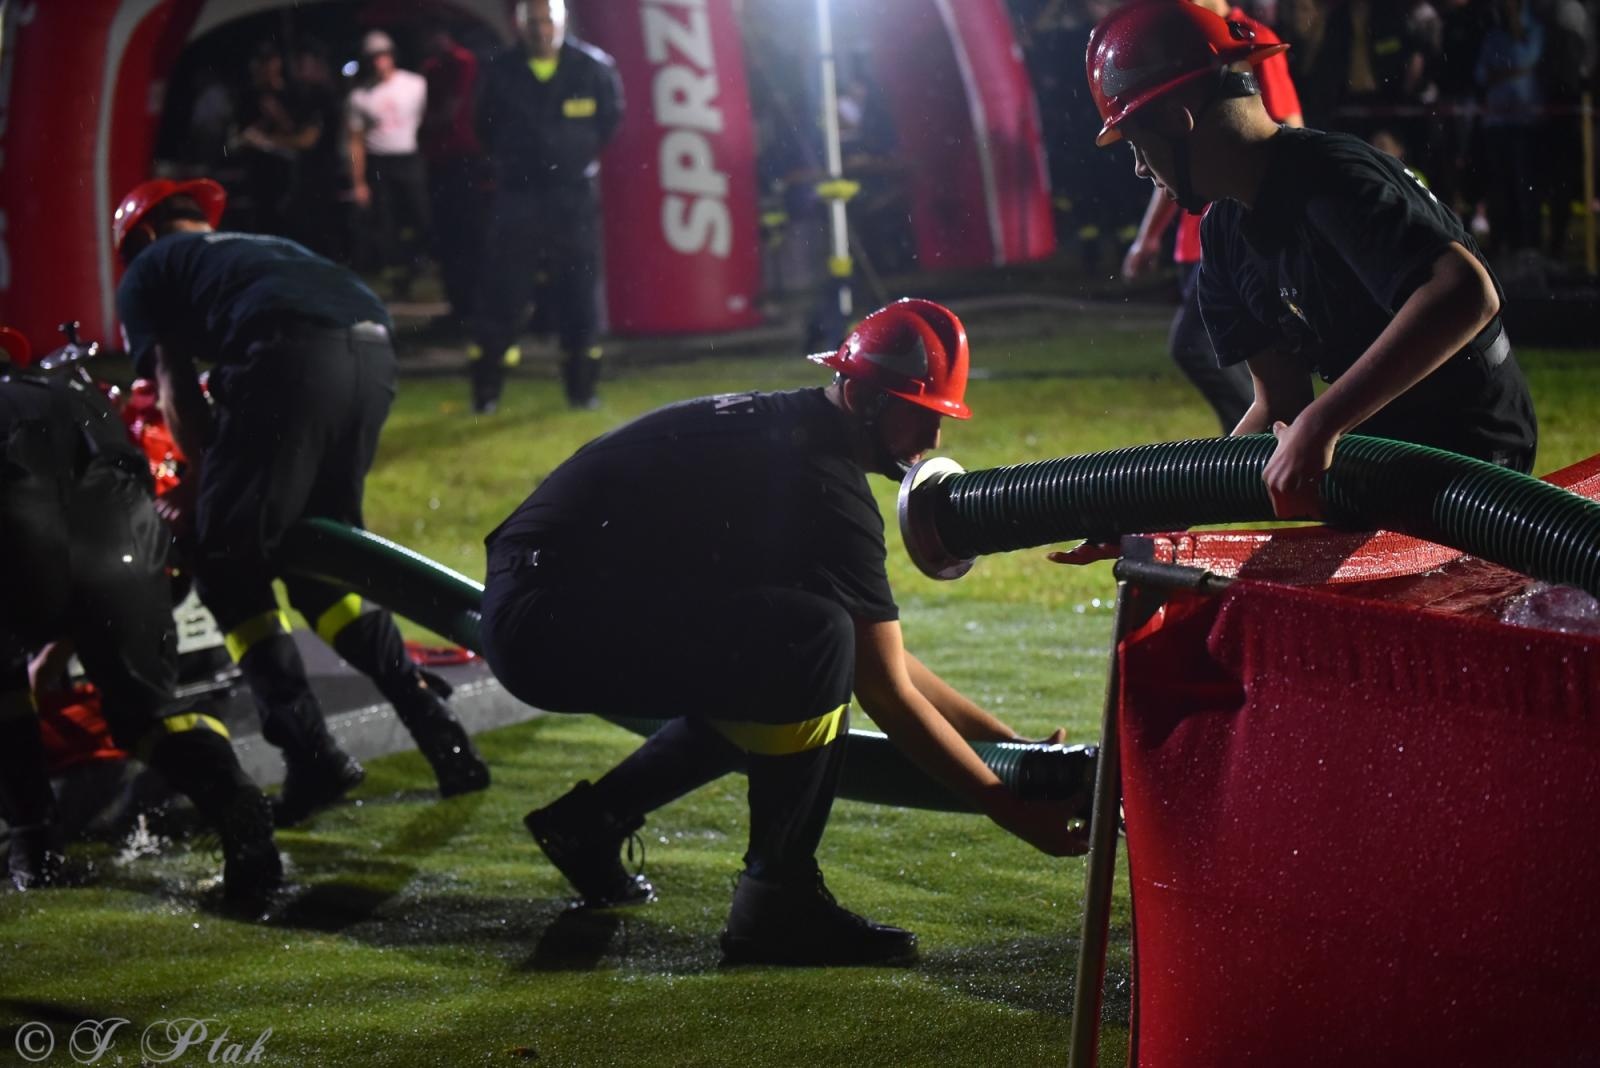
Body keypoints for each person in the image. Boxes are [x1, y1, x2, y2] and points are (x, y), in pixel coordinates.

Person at [480, 299, 1087, 966]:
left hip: (546, 599)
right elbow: (883, 688)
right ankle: (777, 901)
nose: (935, 442)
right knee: (810, 639)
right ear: (860, 396)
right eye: (922, 415)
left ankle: (589, 824)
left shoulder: (795, 434)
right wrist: (1010, 809)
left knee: (789, 650)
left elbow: (881, 662)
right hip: (551, 617)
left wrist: (1011, 746)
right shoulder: (825, 487)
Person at [110, 177, 490, 827]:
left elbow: (173, 390)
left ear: (141, 236)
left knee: (227, 565)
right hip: (371, 356)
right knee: (318, 559)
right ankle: (440, 732)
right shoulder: (256, 248)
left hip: (287, 355)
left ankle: (310, 753)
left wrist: (205, 493)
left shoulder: (149, 268)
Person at [1086, 0, 1537, 521]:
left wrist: (1322, 424)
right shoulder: (1225, 236)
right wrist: (1162, 516)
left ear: (1176, 118)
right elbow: (1278, 404)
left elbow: (1465, 293)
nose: (1141, 170)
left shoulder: (1331, 178)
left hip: (1475, 455)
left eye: (1139, 146)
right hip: (1377, 449)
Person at [0, 325, 282, 905]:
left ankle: (34, 841)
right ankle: (229, 794)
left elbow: (34, 527)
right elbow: (86, 516)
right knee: (146, 709)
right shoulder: (75, 388)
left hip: (21, 542)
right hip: (125, 544)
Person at [1121, 0, 1303, 433]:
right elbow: (1169, 149)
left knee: (1197, 349)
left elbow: (1287, 127)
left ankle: (1259, 454)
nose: (1139, 168)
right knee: (1234, 359)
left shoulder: (1243, 38)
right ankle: (1248, 460)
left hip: (1235, 226)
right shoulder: (1171, 40)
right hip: (1201, 236)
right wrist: (1150, 236)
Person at [470, 0, 623, 413]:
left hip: (573, 198)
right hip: (518, 196)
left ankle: (582, 390)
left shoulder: (592, 68)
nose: (541, 30)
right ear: (520, 26)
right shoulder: (499, 70)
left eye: (547, 21)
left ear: (562, 22)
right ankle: (486, 391)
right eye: (533, 22)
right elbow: (483, 123)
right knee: (505, 291)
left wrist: (571, 156)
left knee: (579, 291)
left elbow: (610, 120)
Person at [348, 30, 430, 301]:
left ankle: (418, 262)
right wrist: (358, 182)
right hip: (380, 162)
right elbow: (356, 141)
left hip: (410, 157)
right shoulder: (360, 96)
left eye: (382, 55)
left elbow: (428, 120)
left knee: (421, 215)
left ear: (391, 56)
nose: (378, 61)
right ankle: (398, 274)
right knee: (386, 223)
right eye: (373, 57)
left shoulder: (415, 84)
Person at [419, 24, 490, 335]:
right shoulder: (431, 67)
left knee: (467, 234)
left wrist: (425, 128)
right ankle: (457, 305)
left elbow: (449, 109)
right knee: (448, 235)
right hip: (440, 159)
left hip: (463, 157)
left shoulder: (462, 61)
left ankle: (473, 305)